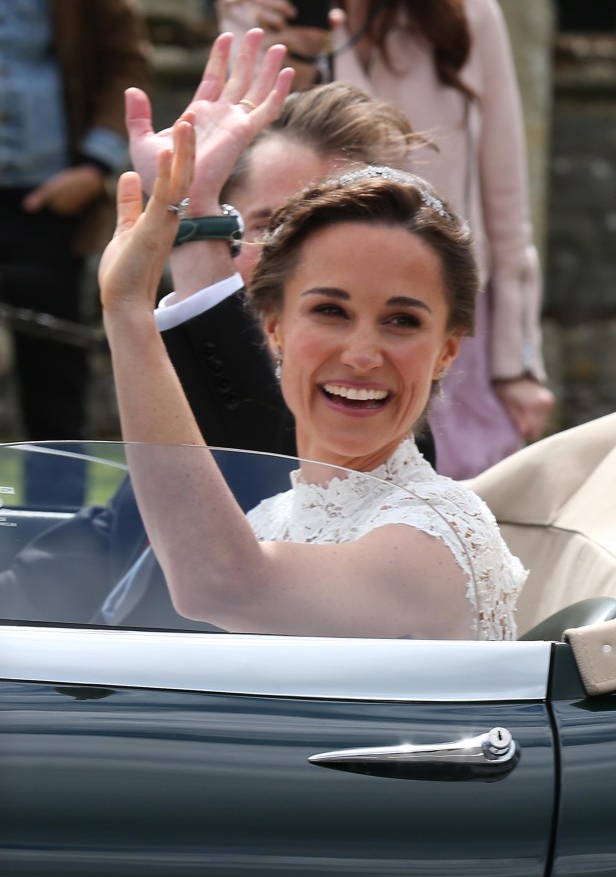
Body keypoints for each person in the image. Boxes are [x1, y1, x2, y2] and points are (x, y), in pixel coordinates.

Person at [0, 32, 434, 627]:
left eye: (322, 240)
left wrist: (193, 217)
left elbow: (264, 450)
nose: (292, 264)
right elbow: (108, 542)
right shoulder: (197, 378)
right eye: (266, 227)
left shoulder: (373, 411)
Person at [97, 79, 527, 640]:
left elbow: (219, 583)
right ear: (273, 325)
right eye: (330, 311)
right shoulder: (273, 517)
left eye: (402, 321)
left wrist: (129, 312)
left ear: (447, 348)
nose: (363, 354)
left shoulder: (437, 536)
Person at [217, 0, 556, 478]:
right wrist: (296, 54)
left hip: (440, 309)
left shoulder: (466, 7)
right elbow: (256, 166)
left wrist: (518, 362)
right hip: (320, 310)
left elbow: (507, 199)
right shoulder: (251, 9)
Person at [0, 0, 149, 505]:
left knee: (54, 386)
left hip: (49, 198)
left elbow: (125, 60)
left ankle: (56, 546)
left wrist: (94, 166)